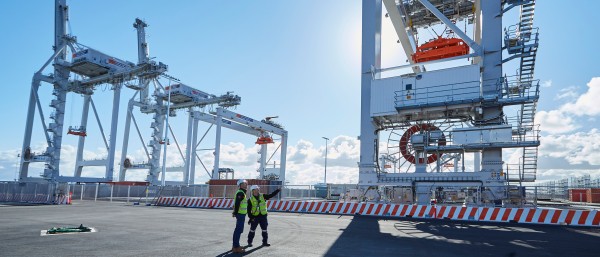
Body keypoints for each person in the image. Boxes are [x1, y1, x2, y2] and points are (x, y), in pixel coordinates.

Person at [231, 179, 248, 253]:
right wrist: (235, 212)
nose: (245, 184)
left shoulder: (242, 193)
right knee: (238, 230)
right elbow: (237, 203)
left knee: (239, 230)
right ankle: (236, 247)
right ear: (240, 185)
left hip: (242, 214)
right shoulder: (240, 193)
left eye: (246, 183)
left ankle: (235, 245)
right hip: (240, 214)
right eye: (243, 183)